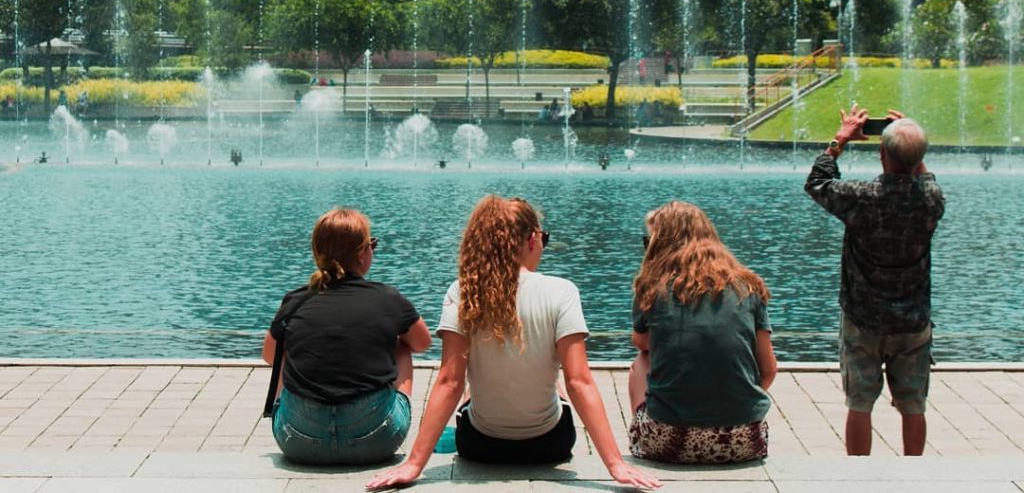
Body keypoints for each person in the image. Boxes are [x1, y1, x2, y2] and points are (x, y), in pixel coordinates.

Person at [367, 195, 661, 491]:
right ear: (532, 240)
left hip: (480, 445)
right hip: (550, 445)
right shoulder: (562, 291)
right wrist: (615, 465)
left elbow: (448, 382)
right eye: (543, 237)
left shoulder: (463, 291)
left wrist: (414, 464)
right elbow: (579, 381)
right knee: (556, 381)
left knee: (471, 383)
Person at [805, 105, 944, 457]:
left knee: (859, 403)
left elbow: (817, 182)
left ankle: (860, 477)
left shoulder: (862, 198)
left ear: (881, 155)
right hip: (912, 320)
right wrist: (910, 144)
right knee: (914, 403)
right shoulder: (931, 199)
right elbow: (924, 176)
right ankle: (914, 472)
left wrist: (840, 139)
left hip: (862, 317)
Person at [262, 208, 431, 465]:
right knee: (402, 347)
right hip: (376, 439)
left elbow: (268, 355)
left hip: (298, 440)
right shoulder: (387, 298)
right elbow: (422, 343)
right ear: (362, 254)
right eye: (372, 244)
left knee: (284, 350)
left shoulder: (295, 301)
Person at [628, 201, 777, 465]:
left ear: (659, 246)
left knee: (641, 362)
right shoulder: (749, 286)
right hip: (745, 440)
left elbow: (642, 342)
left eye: (648, 242)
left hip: (670, 441)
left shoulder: (652, 287)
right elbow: (769, 370)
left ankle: (643, 435)